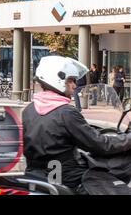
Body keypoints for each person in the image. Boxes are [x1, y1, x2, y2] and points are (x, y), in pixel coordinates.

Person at [23, 56, 131, 193]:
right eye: (71, 81)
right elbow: (101, 145)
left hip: (37, 174)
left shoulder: (29, 109)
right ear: (58, 80)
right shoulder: (66, 112)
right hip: (70, 178)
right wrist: (128, 139)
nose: (74, 85)